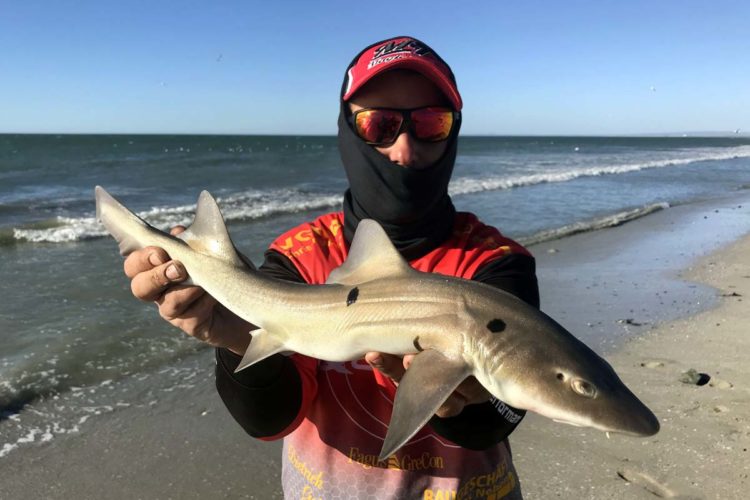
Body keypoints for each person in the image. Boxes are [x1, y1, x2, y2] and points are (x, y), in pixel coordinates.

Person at [123, 36, 539, 499]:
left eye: (430, 122)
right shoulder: (298, 255)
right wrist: (235, 339)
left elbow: (494, 423)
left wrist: (461, 403)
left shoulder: (497, 264)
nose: (404, 150)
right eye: (379, 124)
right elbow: (272, 418)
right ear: (347, 129)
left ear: (454, 130)